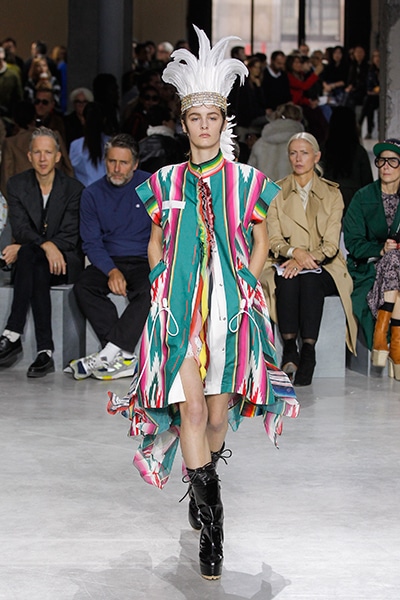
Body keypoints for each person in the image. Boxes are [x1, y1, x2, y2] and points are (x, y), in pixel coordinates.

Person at [106, 25, 299, 581]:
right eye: (195, 117)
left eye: (213, 117)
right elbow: (155, 239)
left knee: (216, 418)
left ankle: (200, 477)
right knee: (190, 410)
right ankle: (213, 524)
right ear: (185, 122)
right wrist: (161, 279)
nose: (204, 125)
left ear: (222, 121)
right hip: (179, 311)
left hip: (230, 311)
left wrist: (249, 283)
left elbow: (261, 238)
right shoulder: (165, 180)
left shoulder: (247, 180)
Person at [261, 132, 357, 386]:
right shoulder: (275, 192)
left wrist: (304, 258)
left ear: (316, 157)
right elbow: (274, 238)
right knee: (288, 280)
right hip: (283, 261)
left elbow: (331, 245)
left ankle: (308, 352)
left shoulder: (332, 194)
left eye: (304, 153)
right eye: (293, 153)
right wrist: (295, 253)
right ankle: (290, 349)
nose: (298, 158)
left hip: (325, 264)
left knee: (310, 281)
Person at [0, 127, 84, 376]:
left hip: (63, 261)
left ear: (58, 156)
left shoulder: (74, 189)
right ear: (29, 156)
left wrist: (29, 247)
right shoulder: (17, 185)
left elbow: (69, 236)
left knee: (28, 255)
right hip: (35, 261)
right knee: (33, 261)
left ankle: (12, 333)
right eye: (37, 152)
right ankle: (45, 351)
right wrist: (45, 245)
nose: (43, 158)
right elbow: (21, 228)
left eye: (48, 152)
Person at [67, 134, 152, 380]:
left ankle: (110, 352)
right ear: (105, 161)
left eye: (123, 163)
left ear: (135, 164)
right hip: (109, 259)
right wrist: (111, 270)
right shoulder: (92, 194)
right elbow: (91, 242)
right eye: (112, 161)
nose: (117, 168)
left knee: (151, 289)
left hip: (143, 259)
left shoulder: (150, 187)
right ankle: (123, 356)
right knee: (83, 286)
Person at [343, 138, 400, 380]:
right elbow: (353, 242)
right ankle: (396, 347)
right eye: (381, 161)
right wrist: (380, 250)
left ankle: (384, 333)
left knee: (395, 259)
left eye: (393, 161)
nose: (385, 166)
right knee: (393, 258)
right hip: (368, 267)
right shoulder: (363, 197)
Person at [321, 105, 373, 212]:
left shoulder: (322, 149)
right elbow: (367, 183)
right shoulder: (359, 151)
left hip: (327, 201)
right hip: (354, 202)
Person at [248, 102, 304, 180]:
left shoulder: (260, 143)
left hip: (266, 186)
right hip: (291, 186)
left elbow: (250, 174)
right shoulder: (303, 144)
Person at [69, 102, 110, 186]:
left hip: (83, 191)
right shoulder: (112, 143)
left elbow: (71, 172)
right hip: (107, 191)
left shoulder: (76, 145)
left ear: (83, 120)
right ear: (104, 120)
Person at [261, 50, 292, 116]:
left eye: (283, 64)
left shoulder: (283, 75)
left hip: (283, 110)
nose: (281, 66)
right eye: (279, 63)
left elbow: (287, 92)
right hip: (269, 111)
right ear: (272, 61)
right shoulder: (263, 75)